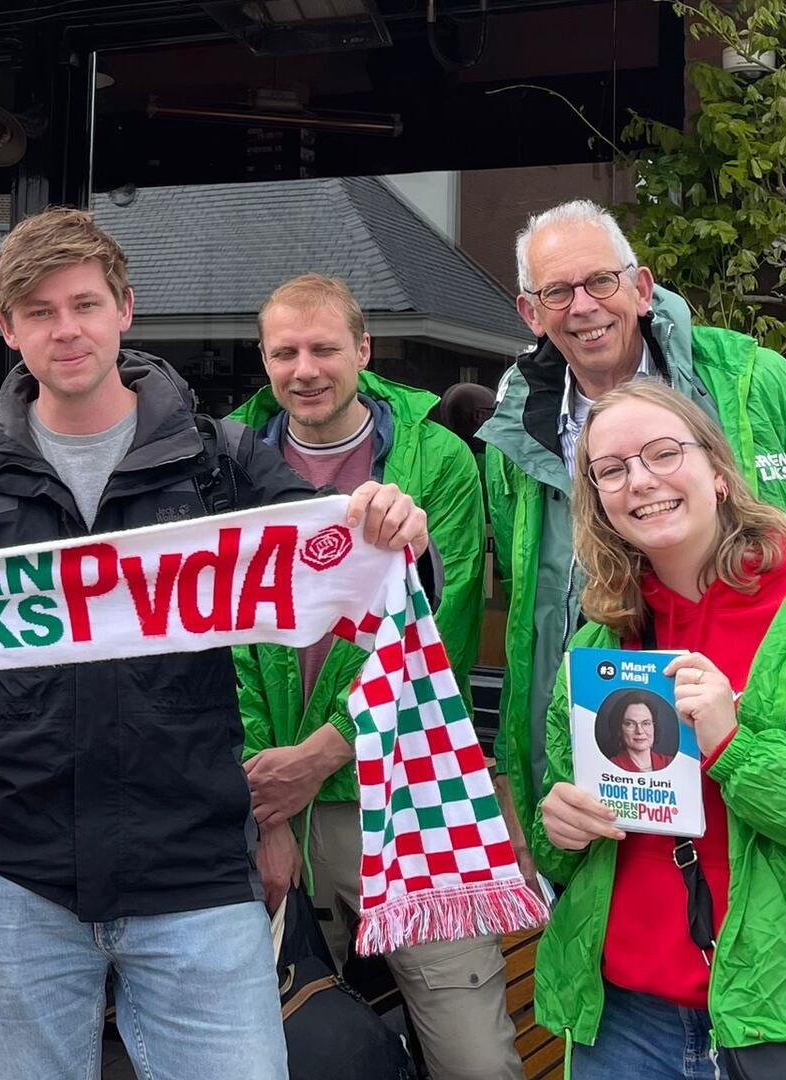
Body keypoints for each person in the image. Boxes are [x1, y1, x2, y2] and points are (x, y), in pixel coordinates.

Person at [0, 209, 429, 1080]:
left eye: (85, 304)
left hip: (195, 880)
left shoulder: (226, 464)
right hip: (12, 882)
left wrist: (395, 538)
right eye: (40, 311)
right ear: (9, 329)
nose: (67, 330)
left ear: (124, 309)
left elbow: (368, 599)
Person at [532, 379, 786, 1079]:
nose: (641, 482)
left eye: (662, 453)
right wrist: (559, 830)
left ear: (717, 472)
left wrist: (737, 750)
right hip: (625, 1025)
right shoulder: (600, 643)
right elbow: (568, 848)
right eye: (613, 470)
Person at [481, 198, 786, 846]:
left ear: (641, 288)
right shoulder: (514, 434)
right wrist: (534, 782)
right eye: (557, 291)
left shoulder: (752, 382)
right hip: (607, 780)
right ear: (531, 313)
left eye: (601, 281)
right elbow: (529, 612)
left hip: (774, 773)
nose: (584, 306)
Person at [227, 275, 518, 1080]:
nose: (305, 369)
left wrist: (330, 749)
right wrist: (268, 808)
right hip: (274, 800)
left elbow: (444, 631)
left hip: (406, 791)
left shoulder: (438, 459)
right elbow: (229, 645)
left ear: (363, 350)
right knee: (293, 1047)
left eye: (324, 348)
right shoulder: (230, 458)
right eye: (284, 351)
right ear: (265, 359)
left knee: (474, 1055)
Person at [601, 692, 675, 772]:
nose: (639, 731)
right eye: (630, 724)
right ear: (619, 729)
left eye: (646, 723)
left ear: (654, 727)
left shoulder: (670, 763)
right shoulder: (610, 767)